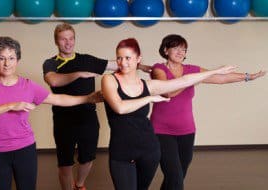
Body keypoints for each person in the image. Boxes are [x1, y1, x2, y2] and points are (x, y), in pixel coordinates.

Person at [101, 38, 237, 190]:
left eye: (128, 58)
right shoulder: (109, 79)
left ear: (138, 59)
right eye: (119, 58)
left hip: (148, 150)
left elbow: (185, 80)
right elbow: (120, 108)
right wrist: (149, 98)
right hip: (123, 151)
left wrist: (216, 71)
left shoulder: (147, 85)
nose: (123, 62)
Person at [0, 36, 102, 190]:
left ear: (17, 60)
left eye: (11, 58)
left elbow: (58, 99)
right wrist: (11, 105)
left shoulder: (28, 86)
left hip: (24, 148)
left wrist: (87, 98)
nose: (7, 63)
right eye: (2, 58)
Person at [150, 34, 266, 190]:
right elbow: (167, 92)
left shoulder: (192, 70)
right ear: (166, 50)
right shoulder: (159, 69)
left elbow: (220, 77)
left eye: (183, 49)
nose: (180, 52)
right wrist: (191, 79)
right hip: (161, 131)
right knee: (174, 175)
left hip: (186, 131)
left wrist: (248, 77)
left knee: (179, 175)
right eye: (176, 48)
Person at [42, 23, 151, 190]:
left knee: (87, 158)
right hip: (64, 121)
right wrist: (80, 73)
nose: (68, 42)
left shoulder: (86, 59)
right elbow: (53, 80)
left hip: (88, 119)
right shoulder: (51, 63)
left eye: (71, 38)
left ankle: (79, 185)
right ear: (56, 41)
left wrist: (140, 65)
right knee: (65, 163)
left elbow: (116, 64)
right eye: (64, 39)